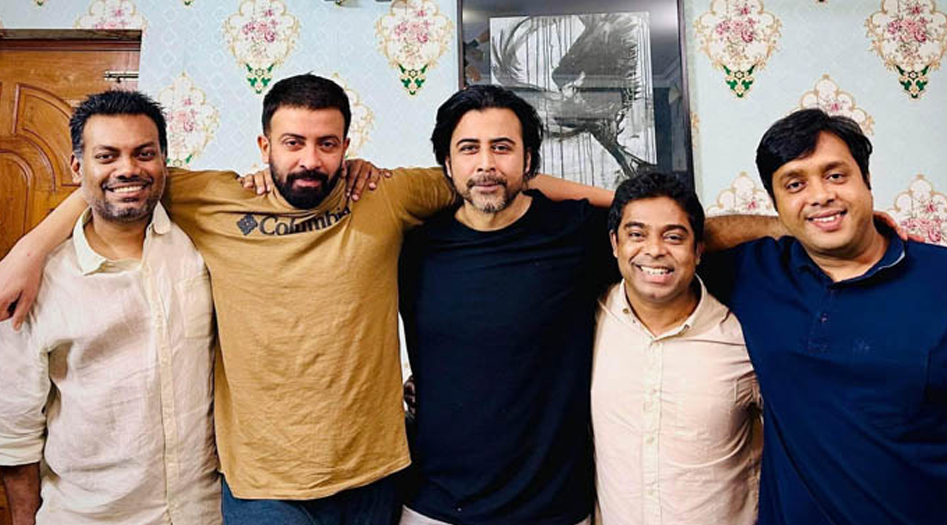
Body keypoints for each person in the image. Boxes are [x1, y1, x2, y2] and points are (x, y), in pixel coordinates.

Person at [0, 74, 609, 525]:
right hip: (264, 484)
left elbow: (493, 176)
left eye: (327, 143)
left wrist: (627, 204)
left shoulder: (387, 194)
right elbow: (119, 176)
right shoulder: (213, 198)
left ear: (347, 145)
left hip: (375, 474)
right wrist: (30, 249)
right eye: (292, 142)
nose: (310, 160)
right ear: (263, 145)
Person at [701, 108, 947, 524]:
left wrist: (808, 215)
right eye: (795, 184)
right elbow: (679, 237)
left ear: (867, 180)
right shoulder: (756, 272)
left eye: (836, 175)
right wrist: (791, 224)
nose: (821, 194)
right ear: (774, 201)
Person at [396, 84, 618, 525]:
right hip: (433, 507)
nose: (486, 164)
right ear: (447, 163)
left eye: (502, 148)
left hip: (553, 509)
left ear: (528, 160)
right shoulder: (412, 247)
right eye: (469, 149)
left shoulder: (577, 232)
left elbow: (668, 231)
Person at [0, 90, 220, 525]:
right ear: (77, 166)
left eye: (144, 154)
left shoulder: (202, 249)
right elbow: (14, 431)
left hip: (204, 512)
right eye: (107, 156)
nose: (128, 169)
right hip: (87, 515)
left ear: (164, 161)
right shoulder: (35, 283)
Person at [593, 172, 761, 525]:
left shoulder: (742, 339)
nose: (654, 250)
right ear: (614, 244)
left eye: (673, 237)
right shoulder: (589, 321)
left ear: (698, 250)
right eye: (636, 234)